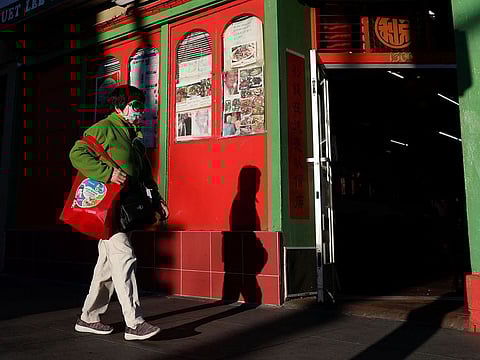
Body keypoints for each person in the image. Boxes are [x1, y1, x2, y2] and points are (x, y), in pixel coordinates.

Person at [69, 84, 165, 341]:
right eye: (135, 106)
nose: (140, 111)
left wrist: (157, 201)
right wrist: (108, 173)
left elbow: (145, 175)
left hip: (126, 209)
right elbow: (76, 153)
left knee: (107, 267)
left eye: (141, 106)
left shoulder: (133, 137)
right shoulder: (104, 128)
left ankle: (88, 317)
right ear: (119, 107)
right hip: (109, 210)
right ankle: (134, 323)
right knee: (124, 258)